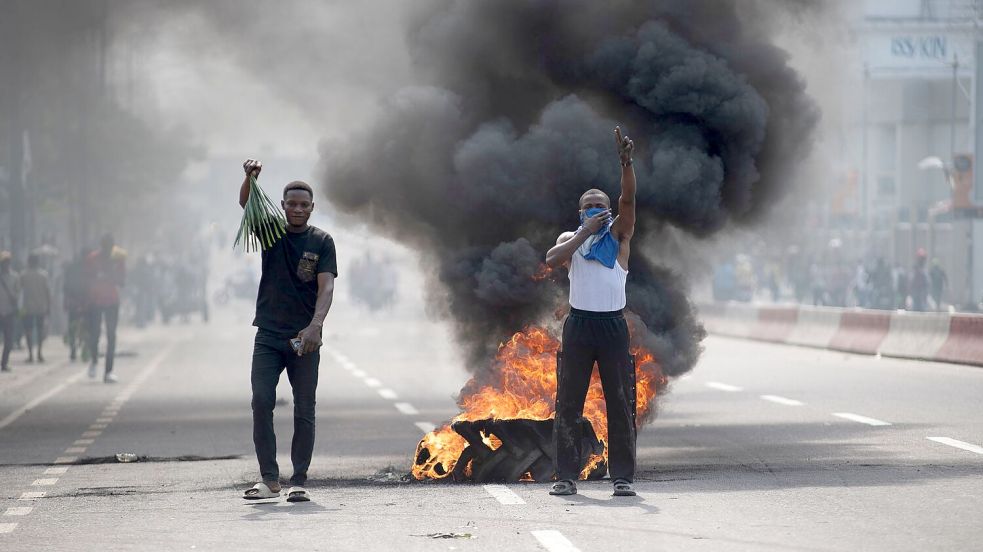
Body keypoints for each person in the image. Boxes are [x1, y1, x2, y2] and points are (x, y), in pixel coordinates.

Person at [544, 127, 637, 497]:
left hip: (612, 326)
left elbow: (629, 198)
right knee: (569, 403)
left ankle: (623, 479)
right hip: (579, 326)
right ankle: (566, 477)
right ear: (580, 212)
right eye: (588, 205)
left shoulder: (620, 237)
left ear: (609, 210)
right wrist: (584, 232)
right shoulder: (571, 240)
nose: (595, 208)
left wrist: (626, 163)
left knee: (619, 402)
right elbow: (552, 259)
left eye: (600, 204)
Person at [238, 159, 337, 503]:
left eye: (303, 204)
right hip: (267, 335)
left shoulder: (323, 241)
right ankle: (269, 478)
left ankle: (299, 479)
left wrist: (315, 325)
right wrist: (249, 178)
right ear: (282, 206)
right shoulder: (272, 233)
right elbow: (245, 205)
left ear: (312, 208)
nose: (297, 209)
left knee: (304, 407)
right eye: (291, 204)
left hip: (303, 339)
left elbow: (325, 288)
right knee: (261, 401)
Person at [86, 235, 126, 383]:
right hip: (95, 300)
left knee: (111, 335)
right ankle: (94, 361)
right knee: (94, 333)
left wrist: (111, 276)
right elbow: (87, 278)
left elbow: (122, 281)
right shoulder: (92, 258)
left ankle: (108, 371)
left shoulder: (118, 259)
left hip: (112, 300)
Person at [20, 254, 51, 363]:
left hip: (27, 307)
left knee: (28, 331)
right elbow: (48, 292)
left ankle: (30, 354)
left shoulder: (24, 275)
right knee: (40, 331)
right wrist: (49, 306)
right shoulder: (44, 275)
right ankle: (39, 353)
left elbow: (19, 290)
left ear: (29, 262)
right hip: (41, 307)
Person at [62, 250, 89, 362]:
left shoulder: (71, 268)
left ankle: (74, 350)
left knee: (73, 326)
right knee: (86, 326)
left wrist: (67, 300)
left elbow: (65, 286)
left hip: (74, 301)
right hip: (85, 301)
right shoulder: (89, 268)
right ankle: (84, 350)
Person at [0, 252, 20, 373]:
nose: (5, 264)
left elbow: (18, 293)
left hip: (9, 312)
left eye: (7, 262)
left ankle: (4, 362)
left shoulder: (15, 277)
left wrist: (14, 298)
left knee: (9, 340)